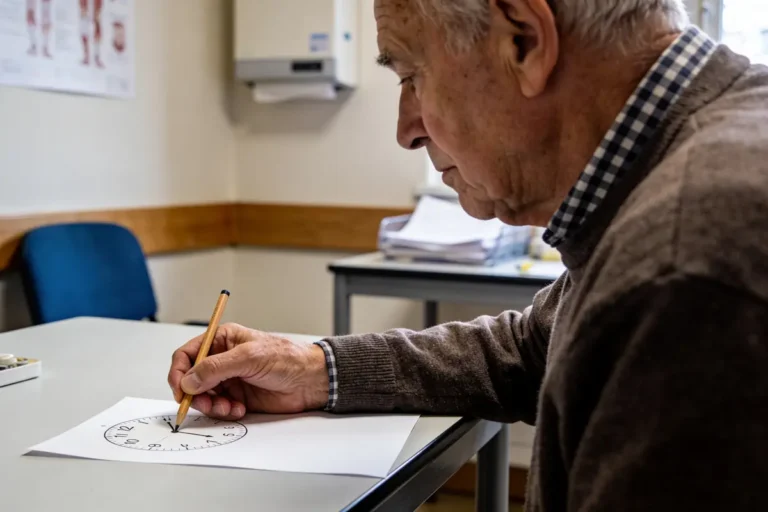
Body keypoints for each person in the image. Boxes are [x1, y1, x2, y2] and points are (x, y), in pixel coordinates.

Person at [169, 0, 768, 509]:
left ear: (524, 40)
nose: (406, 129)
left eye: (411, 74)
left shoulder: (686, 265)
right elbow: (530, 347)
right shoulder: (689, 165)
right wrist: (313, 369)